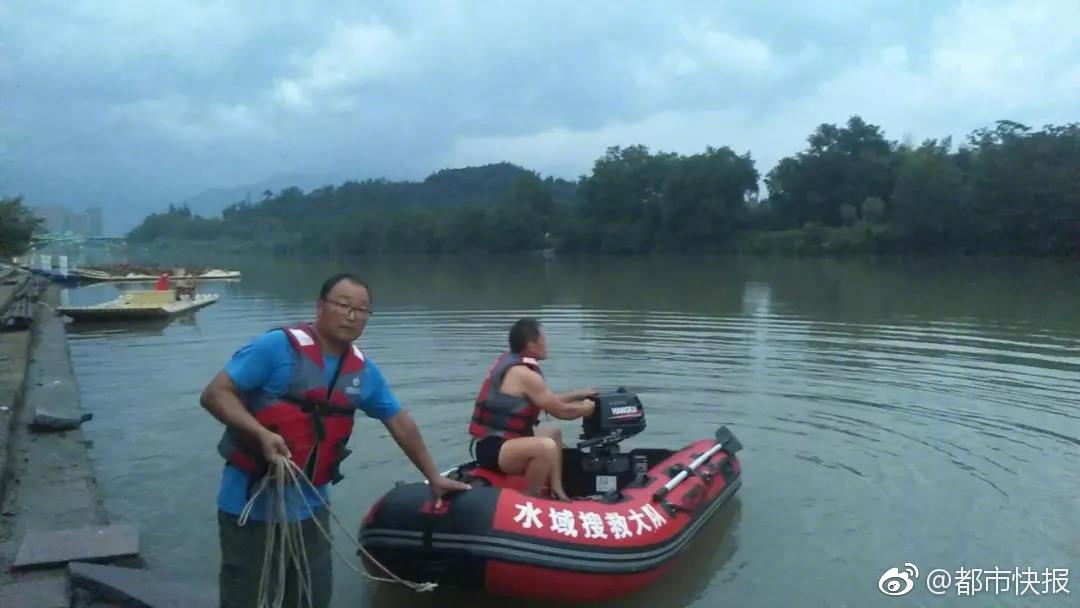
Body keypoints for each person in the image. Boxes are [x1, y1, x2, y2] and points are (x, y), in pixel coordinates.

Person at [200, 272, 470, 608]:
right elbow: (215, 394)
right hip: (249, 505)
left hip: (310, 507)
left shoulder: (361, 371)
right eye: (343, 305)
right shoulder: (276, 348)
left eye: (362, 309)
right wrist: (261, 434)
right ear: (320, 306)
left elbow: (398, 420)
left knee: (312, 597)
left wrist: (434, 476)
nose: (352, 315)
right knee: (247, 597)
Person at [468, 318, 596, 501]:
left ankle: (557, 490)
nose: (547, 343)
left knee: (553, 432)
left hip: (507, 441)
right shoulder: (524, 374)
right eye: (543, 339)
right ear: (531, 344)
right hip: (494, 448)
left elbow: (546, 401)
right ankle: (531, 499)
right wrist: (586, 410)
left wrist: (579, 394)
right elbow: (560, 411)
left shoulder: (513, 364)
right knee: (545, 447)